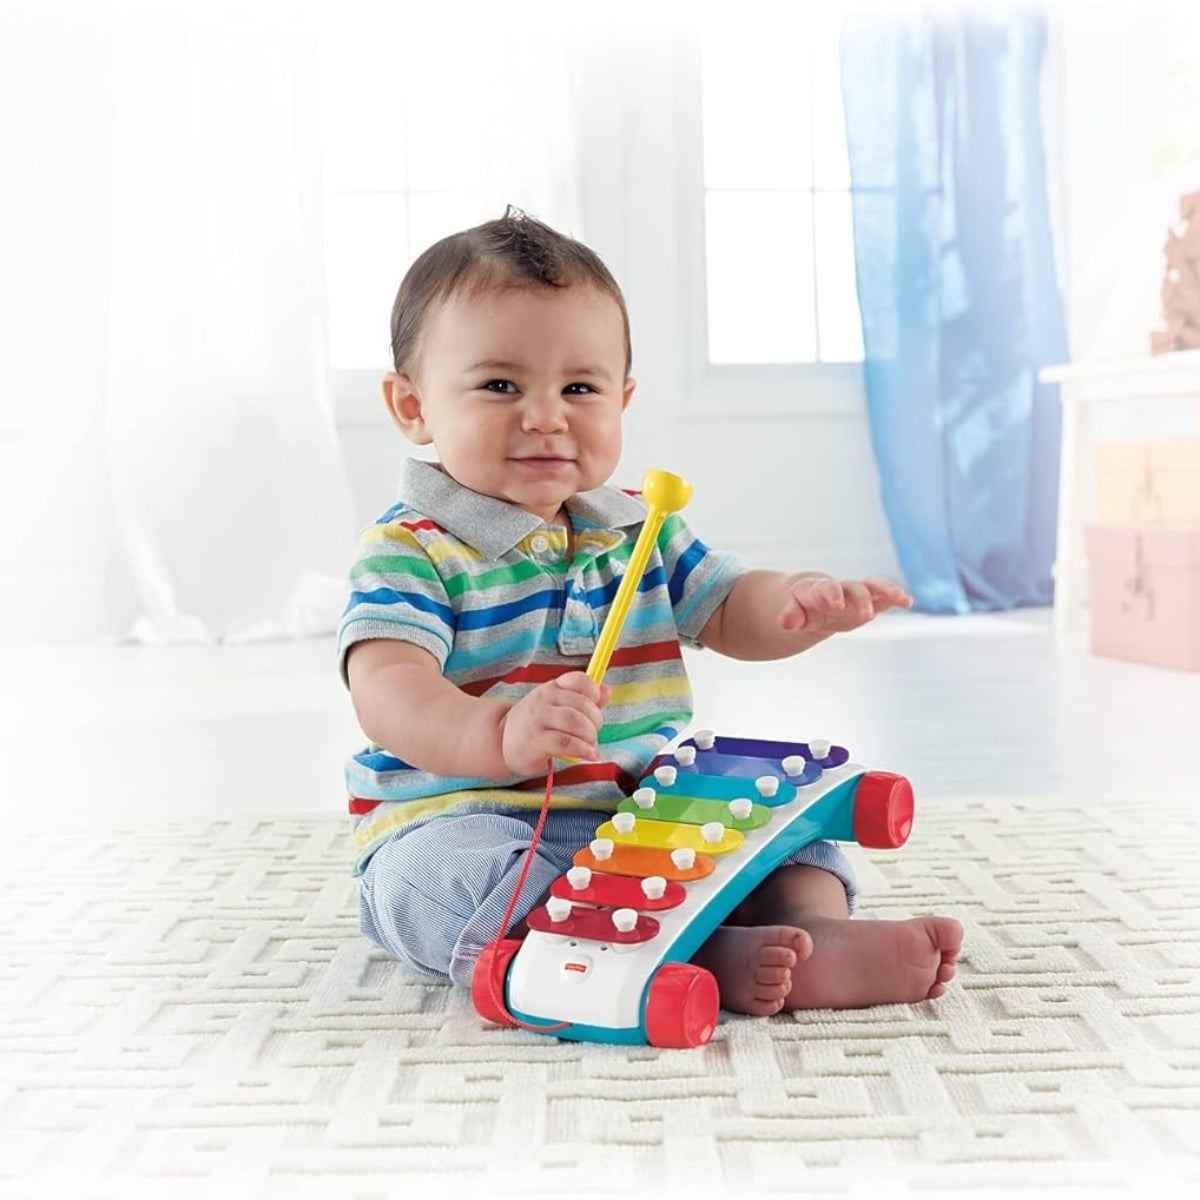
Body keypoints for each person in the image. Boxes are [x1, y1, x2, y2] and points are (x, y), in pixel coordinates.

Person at [339, 207, 962, 1017]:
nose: (546, 416)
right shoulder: (410, 549)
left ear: (623, 399)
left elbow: (727, 606)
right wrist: (498, 733)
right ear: (412, 405)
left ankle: (813, 933)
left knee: (783, 833)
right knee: (431, 885)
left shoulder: (639, 527)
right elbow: (388, 690)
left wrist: (795, 603)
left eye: (580, 388)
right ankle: (688, 956)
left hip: (640, 815)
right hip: (472, 818)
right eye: (500, 386)